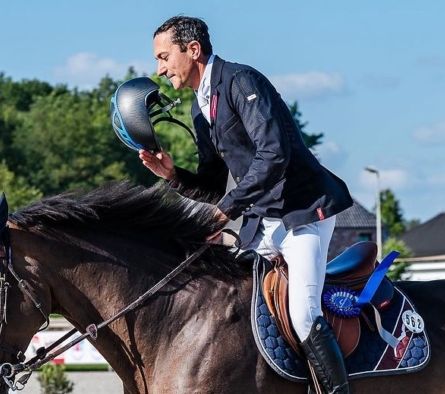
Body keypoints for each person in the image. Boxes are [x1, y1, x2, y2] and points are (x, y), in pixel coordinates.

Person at [142, 15, 353, 393]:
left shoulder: (241, 80)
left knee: (304, 317)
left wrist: (226, 211)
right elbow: (212, 183)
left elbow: (274, 154)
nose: (159, 69)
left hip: (302, 213)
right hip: (264, 221)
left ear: (193, 50)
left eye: (163, 57)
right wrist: (173, 177)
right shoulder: (199, 107)